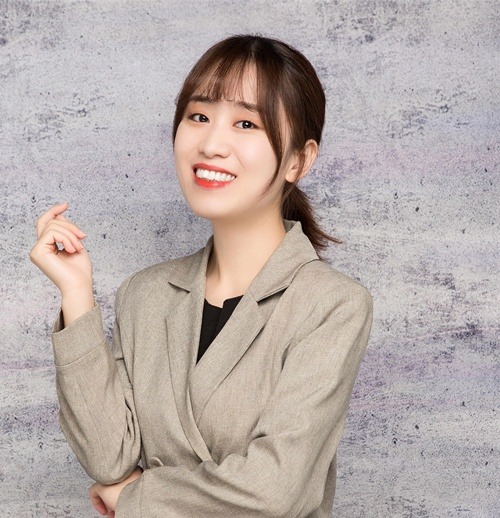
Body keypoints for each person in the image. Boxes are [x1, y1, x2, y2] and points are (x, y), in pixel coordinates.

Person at [30, 35, 373, 518]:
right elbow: (108, 457)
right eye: (198, 116)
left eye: (247, 123)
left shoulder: (331, 305)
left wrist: (135, 498)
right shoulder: (145, 294)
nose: (211, 144)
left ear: (299, 159)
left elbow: (274, 491)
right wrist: (76, 294)